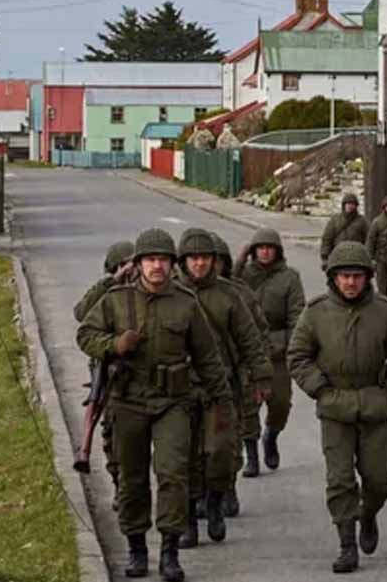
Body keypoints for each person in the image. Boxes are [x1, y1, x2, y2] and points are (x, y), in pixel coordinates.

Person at [77, 228, 234, 582]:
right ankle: (136, 549)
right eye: (150, 259)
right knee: (132, 478)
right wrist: (115, 345)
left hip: (173, 403)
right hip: (128, 402)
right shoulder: (116, 300)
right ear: (138, 264)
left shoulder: (185, 303)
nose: (157, 266)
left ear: (172, 264)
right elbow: (85, 333)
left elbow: (207, 357)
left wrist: (222, 403)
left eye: (163, 259)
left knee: (173, 474)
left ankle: (170, 552)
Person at [288, 242, 387, 574]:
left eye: (357, 276)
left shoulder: (384, 311)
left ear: (367, 278)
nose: (350, 282)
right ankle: (347, 544)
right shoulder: (316, 313)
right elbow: (298, 357)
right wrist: (320, 389)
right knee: (340, 479)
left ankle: (368, 514)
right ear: (333, 278)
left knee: (379, 479)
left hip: (374, 406)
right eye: (344, 276)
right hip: (335, 407)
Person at [174, 229, 273, 549]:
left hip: (220, 387)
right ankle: (189, 520)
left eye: (205, 258)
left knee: (220, 452)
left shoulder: (229, 295)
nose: (199, 264)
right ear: (183, 261)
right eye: (193, 258)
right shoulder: (171, 292)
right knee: (184, 457)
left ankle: (215, 501)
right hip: (181, 390)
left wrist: (261, 377)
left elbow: (250, 339)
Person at [237, 228, 306, 472]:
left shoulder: (289, 277)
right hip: (247, 352)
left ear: (277, 251)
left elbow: (297, 315)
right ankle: (251, 455)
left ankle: (271, 436)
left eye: (269, 248)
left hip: (277, 353)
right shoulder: (243, 275)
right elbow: (224, 287)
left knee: (280, 404)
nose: (265, 252)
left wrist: (289, 345)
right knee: (247, 407)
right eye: (260, 248)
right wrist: (239, 261)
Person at [73, 240, 134, 509]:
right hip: (108, 373)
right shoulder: (106, 293)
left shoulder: (142, 291)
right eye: (122, 266)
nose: (128, 270)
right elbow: (81, 313)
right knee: (112, 434)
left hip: (137, 372)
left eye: (131, 264)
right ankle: (120, 484)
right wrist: (112, 281)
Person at [215, 232, 273, 486]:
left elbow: (259, 331)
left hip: (239, 365)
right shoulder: (184, 293)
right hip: (206, 371)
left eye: (217, 260)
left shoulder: (239, 292)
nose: (210, 265)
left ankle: (252, 456)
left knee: (248, 415)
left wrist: (259, 370)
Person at [320, 192, 370, 271]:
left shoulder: (362, 221)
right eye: (348, 204)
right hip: (338, 255)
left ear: (356, 206)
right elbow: (327, 238)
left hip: (356, 256)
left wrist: (368, 256)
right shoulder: (335, 220)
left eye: (352, 204)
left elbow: (368, 239)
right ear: (344, 205)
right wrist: (325, 257)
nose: (350, 206)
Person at [366, 196, 387, 303]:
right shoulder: (377, 222)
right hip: (381, 258)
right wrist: (370, 258)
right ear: (384, 207)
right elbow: (371, 240)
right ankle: (383, 307)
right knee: (382, 287)